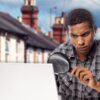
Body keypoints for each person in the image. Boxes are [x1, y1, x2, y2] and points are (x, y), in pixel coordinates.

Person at [48, 8, 100, 100]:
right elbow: (47, 89)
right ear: (68, 34)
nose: (80, 42)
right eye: (74, 36)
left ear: (94, 30)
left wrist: (96, 85)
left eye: (85, 34)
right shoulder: (59, 54)